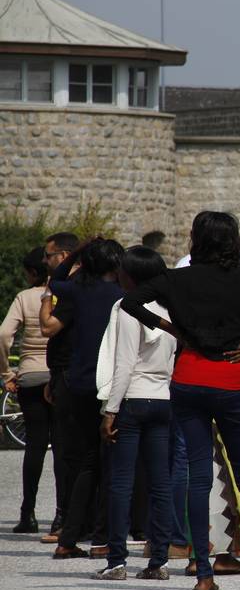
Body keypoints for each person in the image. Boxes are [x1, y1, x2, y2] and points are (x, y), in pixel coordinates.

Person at [120, 211, 240, 590]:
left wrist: (173, 329)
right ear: (233, 240)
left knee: (198, 477)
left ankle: (204, 574)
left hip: (188, 377)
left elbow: (131, 301)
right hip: (229, 377)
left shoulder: (177, 278)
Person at [92, 246, 176, 581]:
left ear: (131, 275)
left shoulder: (128, 307)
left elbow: (124, 364)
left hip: (133, 398)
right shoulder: (171, 307)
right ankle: (159, 560)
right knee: (160, 482)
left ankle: (117, 561)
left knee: (121, 482)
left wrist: (110, 410)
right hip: (163, 398)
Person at [47, 238, 126, 560]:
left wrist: (77, 252)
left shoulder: (78, 292)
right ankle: (103, 537)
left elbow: (55, 281)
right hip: (110, 386)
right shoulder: (122, 297)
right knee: (112, 464)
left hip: (80, 383)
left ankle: (70, 534)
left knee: (86, 462)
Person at [0, 248, 55, 533]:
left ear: (32, 273)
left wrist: (6, 373)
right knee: (63, 446)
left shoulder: (24, 297)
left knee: (35, 445)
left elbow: (3, 334)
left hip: (30, 375)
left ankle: (28, 512)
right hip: (59, 377)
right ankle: (62, 514)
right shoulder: (62, 295)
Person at [38, 231, 78, 543]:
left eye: (49, 256)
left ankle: (66, 519)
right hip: (67, 374)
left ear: (63, 258)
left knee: (66, 450)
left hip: (71, 376)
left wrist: (45, 296)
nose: (44, 261)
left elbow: (49, 327)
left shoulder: (69, 291)